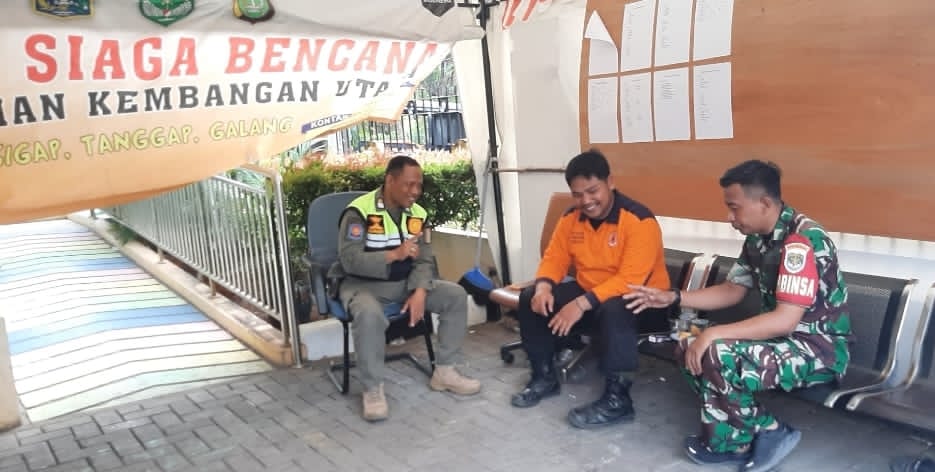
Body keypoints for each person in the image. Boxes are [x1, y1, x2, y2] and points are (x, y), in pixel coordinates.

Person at [624, 160, 851, 472]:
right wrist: (674, 297)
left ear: (764, 203)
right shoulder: (758, 239)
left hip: (817, 351)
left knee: (716, 350)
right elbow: (732, 289)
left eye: (734, 208)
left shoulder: (802, 242)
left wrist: (714, 333)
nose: (729, 217)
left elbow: (785, 320)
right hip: (780, 341)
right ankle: (735, 440)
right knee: (688, 341)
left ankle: (769, 430)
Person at [509, 149, 671, 430]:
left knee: (615, 308)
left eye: (593, 191)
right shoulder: (571, 218)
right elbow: (554, 258)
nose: (586, 201)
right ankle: (544, 377)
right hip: (593, 295)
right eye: (577, 194)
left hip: (645, 302)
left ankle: (618, 401)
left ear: (611, 182)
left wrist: (580, 304)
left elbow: (630, 280)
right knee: (530, 298)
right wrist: (544, 287)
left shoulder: (639, 220)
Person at [328, 154, 481, 422]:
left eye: (419, 185)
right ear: (390, 180)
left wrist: (420, 291)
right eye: (409, 184)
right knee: (369, 314)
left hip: (404, 283)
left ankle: (444, 371)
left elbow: (424, 260)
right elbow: (350, 260)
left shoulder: (418, 214)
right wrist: (394, 255)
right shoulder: (358, 213)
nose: (415, 191)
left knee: (455, 295)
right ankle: (372, 389)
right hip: (363, 285)